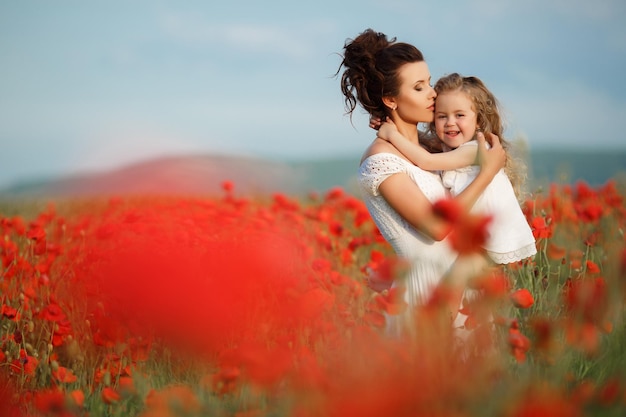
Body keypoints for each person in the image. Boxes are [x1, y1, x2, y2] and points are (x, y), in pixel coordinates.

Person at [337, 28, 506, 335]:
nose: (432, 93)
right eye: (418, 87)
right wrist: (487, 172)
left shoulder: (430, 148)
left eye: (429, 82)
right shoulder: (381, 161)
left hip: (460, 291)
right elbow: (437, 228)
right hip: (425, 298)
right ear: (390, 99)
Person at [374, 73, 537, 265]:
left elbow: (425, 160)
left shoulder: (476, 149)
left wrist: (391, 134)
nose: (450, 122)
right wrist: (396, 127)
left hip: (490, 237)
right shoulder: (455, 149)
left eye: (459, 115)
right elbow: (422, 145)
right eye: (442, 116)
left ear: (478, 120)